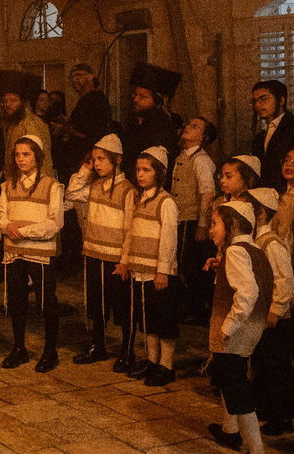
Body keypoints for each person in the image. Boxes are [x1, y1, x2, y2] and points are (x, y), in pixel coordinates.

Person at [207, 200, 274, 454]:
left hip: (239, 331)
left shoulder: (235, 251)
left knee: (236, 388)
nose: (211, 230)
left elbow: (246, 293)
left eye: (215, 223)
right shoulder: (252, 249)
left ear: (232, 224)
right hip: (251, 329)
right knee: (230, 380)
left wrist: (228, 327)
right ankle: (229, 431)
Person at [0, 135, 64, 371]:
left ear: (38, 157)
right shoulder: (8, 185)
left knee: (46, 302)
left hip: (39, 252)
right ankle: (19, 347)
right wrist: (6, 226)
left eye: (26, 154)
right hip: (14, 251)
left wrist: (26, 231)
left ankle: (50, 350)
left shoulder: (51, 186)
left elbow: (55, 222)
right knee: (17, 300)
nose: (20, 159)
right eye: (17, 154)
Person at [65, 134, 134, 366]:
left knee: (121, 304)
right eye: (94, 159)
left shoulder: (128, 190)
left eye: (102, 159)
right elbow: (72, 193)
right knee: (96, 302)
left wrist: (125, 260)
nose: (97, 164)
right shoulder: (94, 186)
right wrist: (84, 169)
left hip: (115, 257)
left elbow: (129, 229)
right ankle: (98, 344)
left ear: (117, 159)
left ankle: (127, 349)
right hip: (93, 253)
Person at [118, 147, 180, 385]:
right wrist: (125, 261)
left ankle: (166, 364)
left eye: (147, 170)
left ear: (159, 173)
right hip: (139, 269)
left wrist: (163, 269)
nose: (140, 175)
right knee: (147, 318)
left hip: (158, 272)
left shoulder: (165, 202)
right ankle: (151, 360)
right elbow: (130, 233)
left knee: (164, 319)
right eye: (138, 170)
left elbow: (168, 238)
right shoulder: (137, 198)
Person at [248, 188, 294, 436]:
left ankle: (282, 415)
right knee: (262, 364)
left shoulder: (272, 243)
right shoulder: (257, 240)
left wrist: (276, 309)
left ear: (260, 212)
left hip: (274, 318)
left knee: (276, 366)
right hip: (261, 315)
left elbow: (284, 279)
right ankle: (266, 407)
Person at [173, 117, 218, 324]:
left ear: (204, 138)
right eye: (188, 124)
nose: (187, 127)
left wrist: (202, 225)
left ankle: (200, 307)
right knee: (181, 264)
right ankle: (189, 305)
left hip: (191, 220)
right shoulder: (183, 156)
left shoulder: (201, 160)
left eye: (195, 127)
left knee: (189, 265)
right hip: (179, 218)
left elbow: (207, 193)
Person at [249, 80, 294, 191]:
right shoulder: (259, 138)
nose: (257, 105)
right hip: (267, 195)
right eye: (255, 101)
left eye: (263, 99)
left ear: (281, 100)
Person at [122, 63, 181, 179]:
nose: (136, 99)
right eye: (135, 95)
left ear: (157, 102)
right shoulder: (133, 121)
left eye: (143, 97)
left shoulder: (162, 126)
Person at [55, 64, 113, 181]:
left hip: (88, 159)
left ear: (90, 77)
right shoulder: (83, 100)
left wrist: (68, 130)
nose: (75, 79)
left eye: (79, 75)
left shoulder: (97, 100)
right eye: (72, 77)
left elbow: (94, 133)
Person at [0, 70, 52, 178]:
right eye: (5, 101)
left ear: (24, 102)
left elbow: (42, 161)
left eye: (13, 100)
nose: (7, 104)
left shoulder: (32, 125)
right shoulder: (14, 123)